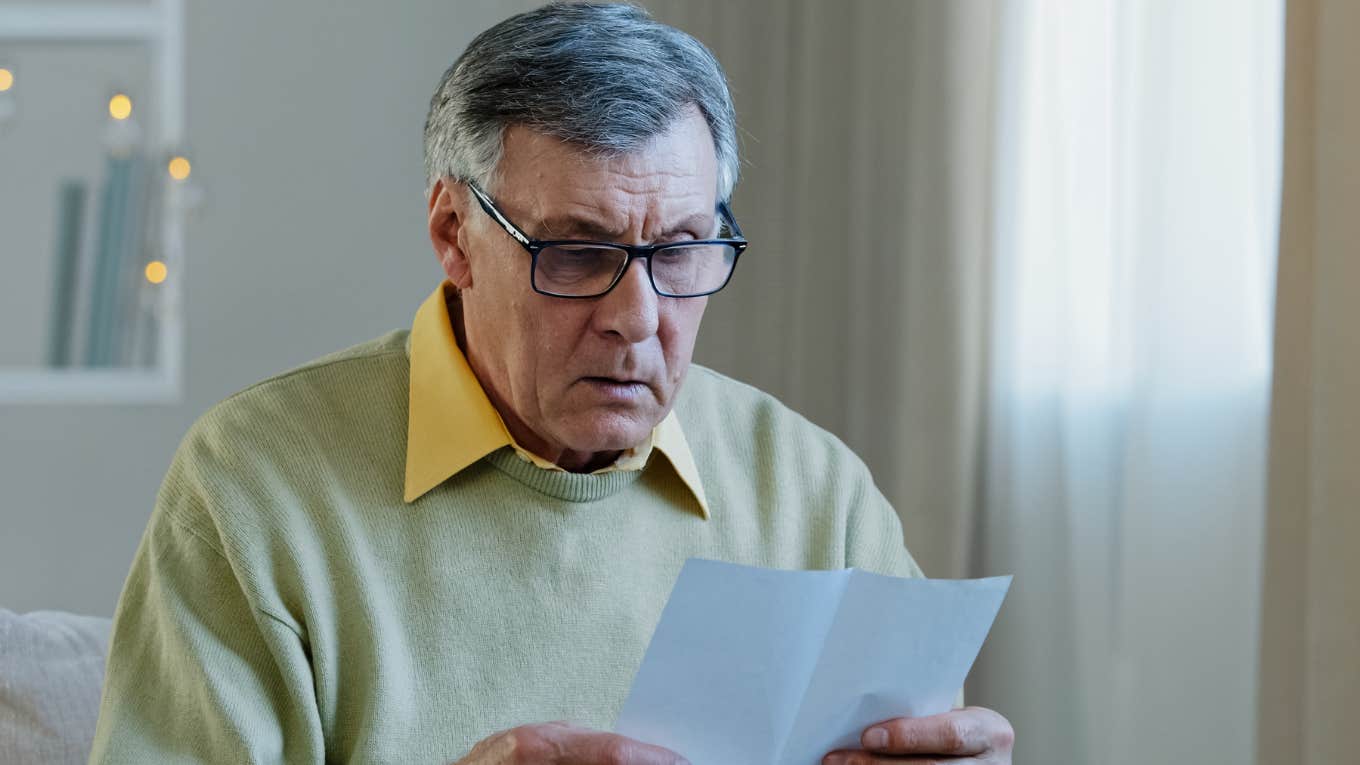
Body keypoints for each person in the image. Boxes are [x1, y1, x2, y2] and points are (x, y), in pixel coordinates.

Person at [88, 3, 1014, 763]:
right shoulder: (253, 484)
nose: (639, 316)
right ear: (454, 234)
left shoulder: (814, 494)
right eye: (578, 253)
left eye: (682, 250)